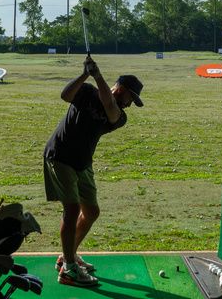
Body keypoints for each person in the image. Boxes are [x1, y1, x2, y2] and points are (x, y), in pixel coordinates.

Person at [43, 55, 144, 287]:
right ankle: (69, 269)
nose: (130, 104)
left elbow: (109, 108)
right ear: (121, 88)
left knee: (91, 212)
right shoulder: (87, 91)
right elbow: (65, 95)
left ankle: (67, 257)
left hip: (83, 163)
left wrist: (97, 75)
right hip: (60, 155)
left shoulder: (120, 116)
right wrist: (85, 74)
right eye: (132, 97)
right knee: (71, 209)